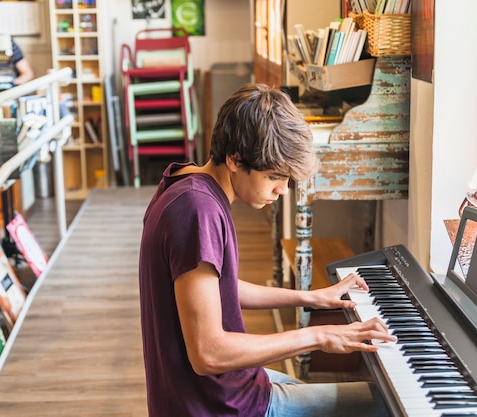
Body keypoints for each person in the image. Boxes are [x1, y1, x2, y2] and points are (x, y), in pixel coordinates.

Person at [138, 83, 397, 416]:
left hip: (222, 391)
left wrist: (311, 297)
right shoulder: (196, 210)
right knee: (383, 405)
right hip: (217, 406)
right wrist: (317, 336)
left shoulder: (184, 181)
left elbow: (218, 289)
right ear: (234, 158)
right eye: (275, 176)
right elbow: (208, 354)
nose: (282, 190)